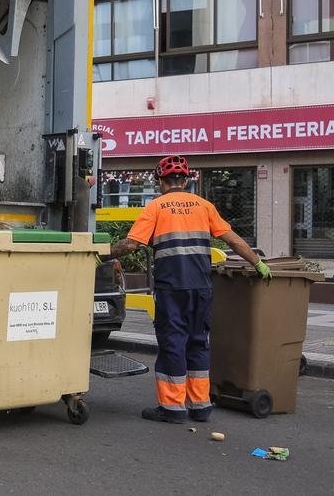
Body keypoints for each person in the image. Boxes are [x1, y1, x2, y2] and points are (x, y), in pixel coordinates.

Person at [105, 155, 270, 424]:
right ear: (186, 180)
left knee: (173, 343)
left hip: (173, 289)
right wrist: (258, 263)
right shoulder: (205, 206)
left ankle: (172, 408)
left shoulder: (156, 207)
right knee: (198, 343)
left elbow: (131, 245)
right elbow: (234, 240)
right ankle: (200, 406)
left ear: (161, 181)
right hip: (202, 287)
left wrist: (100, 254)